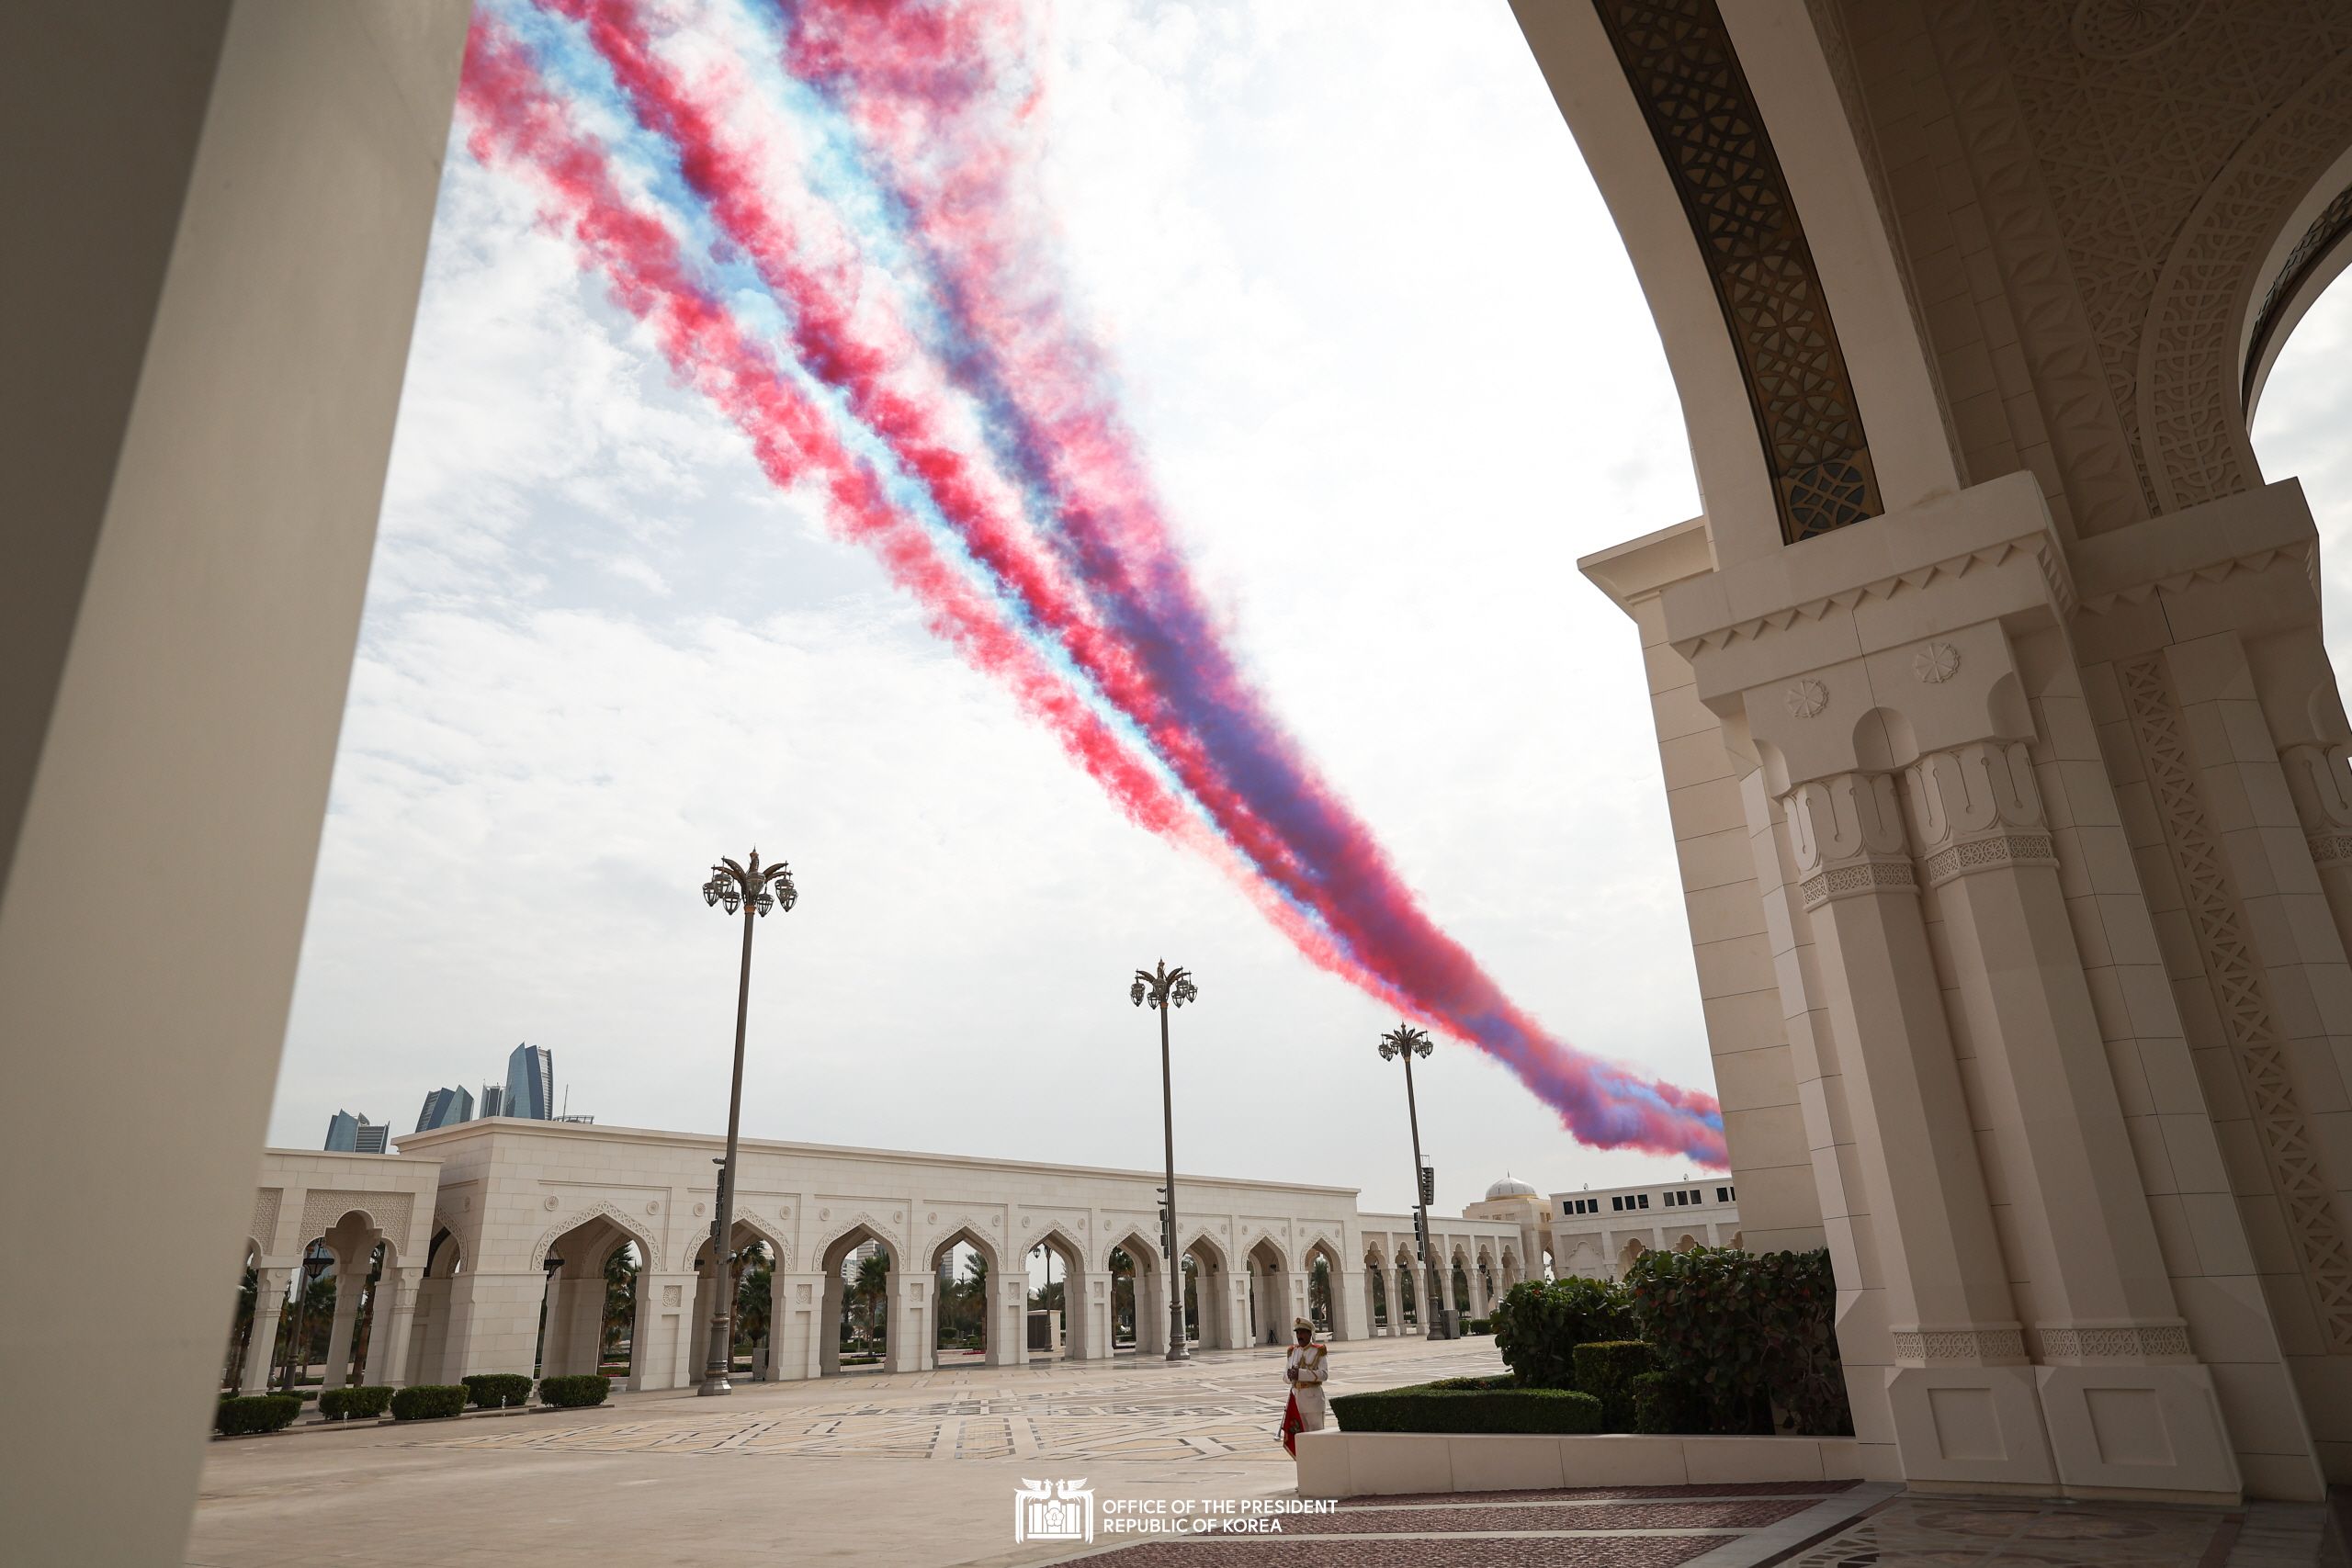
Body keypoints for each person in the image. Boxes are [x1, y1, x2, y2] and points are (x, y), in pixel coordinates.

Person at [1280, 1316, 1329, 1456]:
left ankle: (1319, 1459)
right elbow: (1285, 1377)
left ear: (1309, 1334)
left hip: (1313, 1399)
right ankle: (1306, 1461)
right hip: (1297, 1401)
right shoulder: (1293, 1351)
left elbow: (1324, 1374)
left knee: (1316, 1434)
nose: (1299, 1336)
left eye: (1302, 1333)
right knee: (1300, 1436)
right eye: (1298, 1333)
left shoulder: (1318, 1350)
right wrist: (1290, 1376)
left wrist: (1300, 1374)